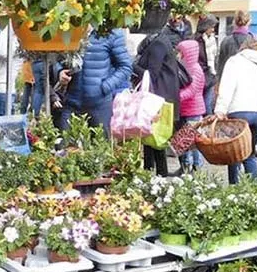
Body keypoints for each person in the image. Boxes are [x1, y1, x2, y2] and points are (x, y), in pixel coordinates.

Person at [215, 37, 257, 184]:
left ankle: (235, 187)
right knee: (250, 154)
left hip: (238, 112)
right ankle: (252, 188)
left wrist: (220, 109)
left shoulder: (235, 61)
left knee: (234, 152)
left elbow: (227, 87)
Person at [59, 29, 133, 134]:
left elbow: (125, 67)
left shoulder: (111, 33)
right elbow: (58, 58)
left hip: (99, 105)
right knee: (64, 142)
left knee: (100, 143)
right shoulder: (69, 29)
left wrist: (105, 87)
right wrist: (60, 72)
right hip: (72, 102)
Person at [134, 33, 181, 176]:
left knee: (156, 138)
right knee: (152, 139)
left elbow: (151, 75)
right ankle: (154, 174)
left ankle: (159, 174)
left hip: (158, 99)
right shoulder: (162, 40)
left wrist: (132, 66)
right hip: (162, 97)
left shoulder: (158, 45)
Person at [176, 40, 206, 173]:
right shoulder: (186, 67)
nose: (179, 55)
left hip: (194, 110)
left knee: (194, 142)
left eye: (181, 52)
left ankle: (196, 168)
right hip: (185, 109)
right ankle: (185, 167)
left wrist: (176, 96)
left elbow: (192, 90)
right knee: (184, 140)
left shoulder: (195, 69)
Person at [0, 25, 22, 116]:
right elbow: (2, 53)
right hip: (0, 87)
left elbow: (3, 52)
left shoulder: (11, 32)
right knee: (1, 122)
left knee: (2, 123)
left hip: (3, 87)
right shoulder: (9, 32)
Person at [193, 15, 219, 115]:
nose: (213, 30)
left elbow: (214, 58)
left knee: (208, 105)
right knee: (200, 106)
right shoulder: (195, 41)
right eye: (211, 27)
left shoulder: (212, 40)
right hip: (199, 76)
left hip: (210, 76)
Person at [217, 10, 254, 77]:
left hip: (229, 78)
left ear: (234, 21)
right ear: (249, 22)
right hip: (248, 79)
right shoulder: (255, 40)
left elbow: (220, 67)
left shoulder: (226, 41)